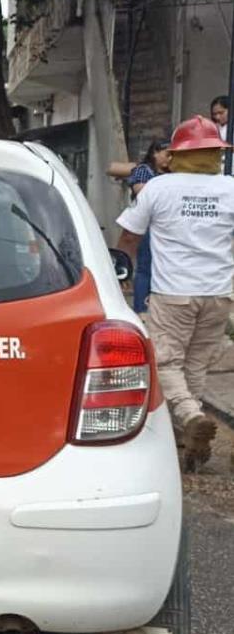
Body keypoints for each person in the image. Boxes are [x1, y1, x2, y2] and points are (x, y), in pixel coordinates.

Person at [115, 114, 234, 471]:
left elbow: (129, 237)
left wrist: (121, 272)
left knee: (166, 360)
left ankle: (188, 415)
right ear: (217, 154)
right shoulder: (230, 188)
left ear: (177, 154)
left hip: (173, 291)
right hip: (218, 293)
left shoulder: (158, 188)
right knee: (197, 363)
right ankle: (190, 432)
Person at [120, 139, 172, 315]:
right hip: (147, 224)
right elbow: (140, 191)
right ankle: (141, 309)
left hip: (167, 224)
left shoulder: (172, 173)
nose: (170, 159)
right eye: (167, 154)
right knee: (146, 268)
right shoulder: (143, 170)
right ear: (155, 153)